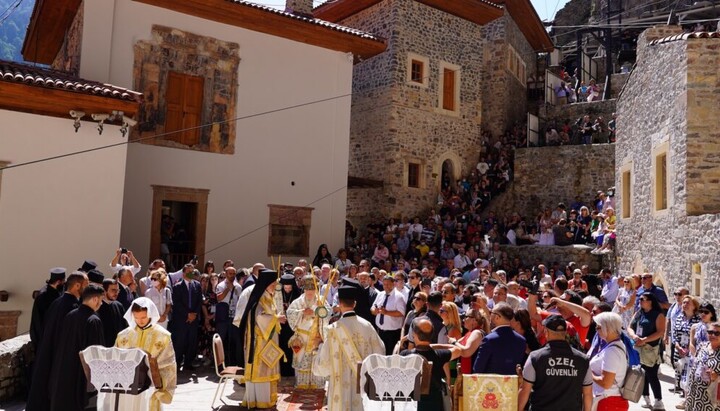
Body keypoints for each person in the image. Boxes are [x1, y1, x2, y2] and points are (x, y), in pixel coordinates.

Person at [312, 285, 385, 411]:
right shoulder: (367, 325)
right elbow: (380, 351)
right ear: (355, 304)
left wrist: (317, 347)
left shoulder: (333, 329)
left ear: (339, 304)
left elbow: (323, 363)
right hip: (361, 382)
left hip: (340, 383)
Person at [26, 272, 87, 411]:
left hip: (48, 353)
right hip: (59, 357)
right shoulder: (72, 306)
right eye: (86, 284)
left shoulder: (58, 302)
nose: (87, 287)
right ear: (77, 285)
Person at [107, 297, 177, 411]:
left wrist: (160, 384)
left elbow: (169, 364)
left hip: (150, 386)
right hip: (127, 386)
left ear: (150, 314)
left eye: (143, 317)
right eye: (136, 317)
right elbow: (115, 358)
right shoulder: (123, 335)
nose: (140, 321)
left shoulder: (163, 336)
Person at [518, 315, 593, 411]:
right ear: (565, 333)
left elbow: (525, 390)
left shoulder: (535, 357)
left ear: (546, 332)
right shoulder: (583, 359)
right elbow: (587, 394)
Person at [49, 284, 105, 411]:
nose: (101, 304)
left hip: (63, 370)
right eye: (101, 300)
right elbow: (96, 353)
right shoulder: (94, 320)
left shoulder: (70, 315)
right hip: (81, 374)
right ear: (95, 300)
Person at [238, 269, 286, 409]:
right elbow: (259, 317)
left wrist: (276, 318)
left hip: (267, 341)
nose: (275, 287)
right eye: (273, 284)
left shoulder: (268, 296)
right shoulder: (259, 298)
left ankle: (268, 399)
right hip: (259, 343)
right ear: (266, 284)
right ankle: (259, 400)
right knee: (262, 371)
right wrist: (277, 318)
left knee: (268, 370)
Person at [401, 318, 462, 411]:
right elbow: (458, 350)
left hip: (412, 402)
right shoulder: (439, 355)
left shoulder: (405, 355)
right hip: (434, 403)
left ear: (414, 335)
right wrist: (433, 346)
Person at [286, 274, 330, 388]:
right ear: (304, 289)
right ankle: (302, 383)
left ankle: (317, 383)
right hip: (302, 337)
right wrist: (302, 312)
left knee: (316, 359)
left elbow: (328, 313)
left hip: (316, 336)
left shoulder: (322, 301)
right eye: (307, 289)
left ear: (316, 289)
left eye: (312, 289)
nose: (310, 292)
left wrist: (316, 312)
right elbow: (290, 313)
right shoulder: (297, 302)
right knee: (301, 359)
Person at [627, 292, 666, 410]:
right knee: (642, 374)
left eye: (643, 299)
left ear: (650, 301)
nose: (640, 301)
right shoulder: (639, 313)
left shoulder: (658, 315)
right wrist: (634, 336)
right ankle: (646, 397)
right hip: (638, 348)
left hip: (651, 349)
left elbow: (660, 332)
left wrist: (645, 340)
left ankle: (658, 400)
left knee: (652, 374)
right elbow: (629, 326)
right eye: (640, 299)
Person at [472, 303, 526, 375]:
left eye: (491, 313)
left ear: (497, 317)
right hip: (512, 385)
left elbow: (478, 368)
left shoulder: (489, 340)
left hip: (490, 385)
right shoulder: (521, 340)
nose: (490, 315)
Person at [590, 312, 628, 411]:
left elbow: (606, 383)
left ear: (607, 328)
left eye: (598, 327)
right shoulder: (615, 345)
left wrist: (589, 374)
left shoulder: (612, 351)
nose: (596, 330)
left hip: (608, 401)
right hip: (609, 400)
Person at [169, 263, 202, 371]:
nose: (190, 274)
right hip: (181, 319)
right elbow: (176, 303)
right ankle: (177, 363)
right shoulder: (177, 286)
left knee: (191, 342)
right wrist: (187, 314)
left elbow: (199, 302)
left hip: (193, 319)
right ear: (183, 273)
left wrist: (194, 314)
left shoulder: (197, 285)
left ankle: (188, 363)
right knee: (180, 342)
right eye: (188, 272)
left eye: (192, 272)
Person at [685, 321, 720, 410]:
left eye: (717, 333)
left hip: (711, 395)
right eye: (710, 332)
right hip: (695, 392)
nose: (713, 335)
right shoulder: (702, 346)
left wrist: (716, 376)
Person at [29, 267, 65, 347]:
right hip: (45, 336)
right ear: (58, 282)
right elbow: (38, 319)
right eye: (63, 282)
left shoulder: (58, 291)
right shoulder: (43, 295)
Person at [372, 276, 406, 354]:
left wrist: (387, 312)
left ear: (393, 284)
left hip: (392, 333)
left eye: (388, 284)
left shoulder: (399, 296)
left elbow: (401, 313)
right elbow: (372, 308)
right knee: (380, 353)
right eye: (384, 284)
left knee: (390, 355)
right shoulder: (380, 294)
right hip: (380, 331)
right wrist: (375, 311)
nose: (386, 286)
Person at [278, 273, 302, 377]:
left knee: (292, 348)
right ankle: (282, 370)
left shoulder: (298, 294)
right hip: (281, 326)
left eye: (289, 288)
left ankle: (291, 371)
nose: (287, 290)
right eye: (285, 287)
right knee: (282, 346)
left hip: (293, 327)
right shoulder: (278, 294)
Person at [97, 278, 129, 347]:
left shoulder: (119, 306)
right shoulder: (97, 307)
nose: (116, 293)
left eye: (118, 290)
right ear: (104, 290)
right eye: (113, 290)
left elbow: (124, 326)